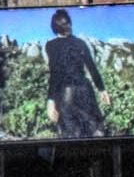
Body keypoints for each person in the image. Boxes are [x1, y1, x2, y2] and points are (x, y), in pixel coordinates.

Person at [44, 8, 110, 138]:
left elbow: (55, 74)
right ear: (69, 24)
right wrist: (102, 90)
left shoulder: (51, 45)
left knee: (72, 136)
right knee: (95, 131)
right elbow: (92, 68)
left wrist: (50, 101)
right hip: (85, 89)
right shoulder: (80, 43)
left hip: (66, 92)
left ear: (54, 27)